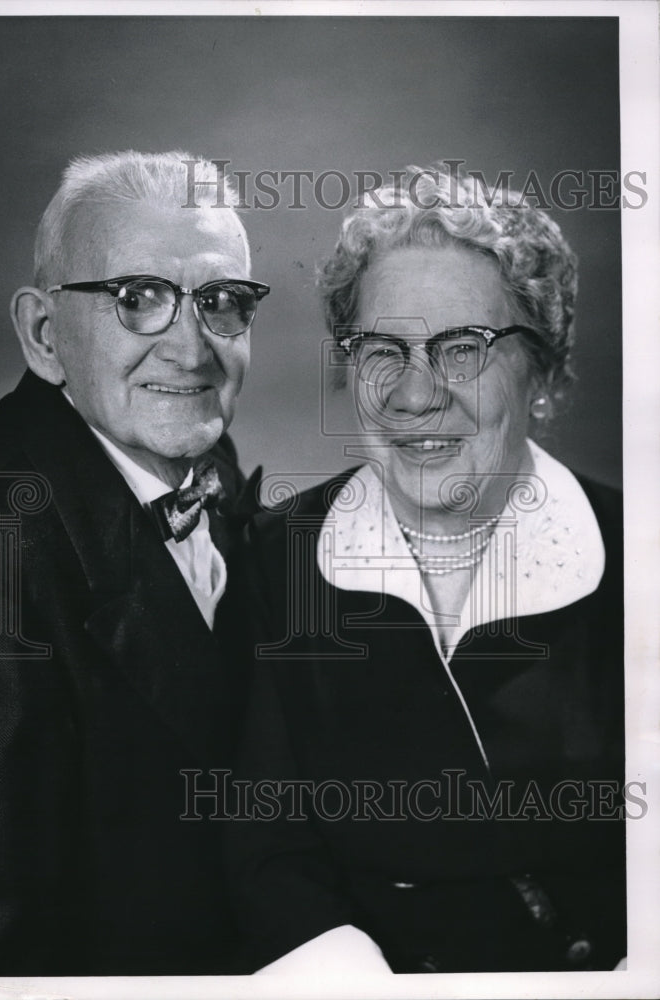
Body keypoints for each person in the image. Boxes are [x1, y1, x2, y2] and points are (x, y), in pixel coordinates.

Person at [227, 163, 625, 974]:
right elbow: (266, 858)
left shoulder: (638, 558)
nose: (414, 395)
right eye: (383, 350)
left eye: (463, 348)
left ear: (543, 374)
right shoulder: (273, 565)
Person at [0, 150, 269, 975]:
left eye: (221, 301)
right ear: (44, 336)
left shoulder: (204, 459)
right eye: (138, 298)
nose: (191, 350)